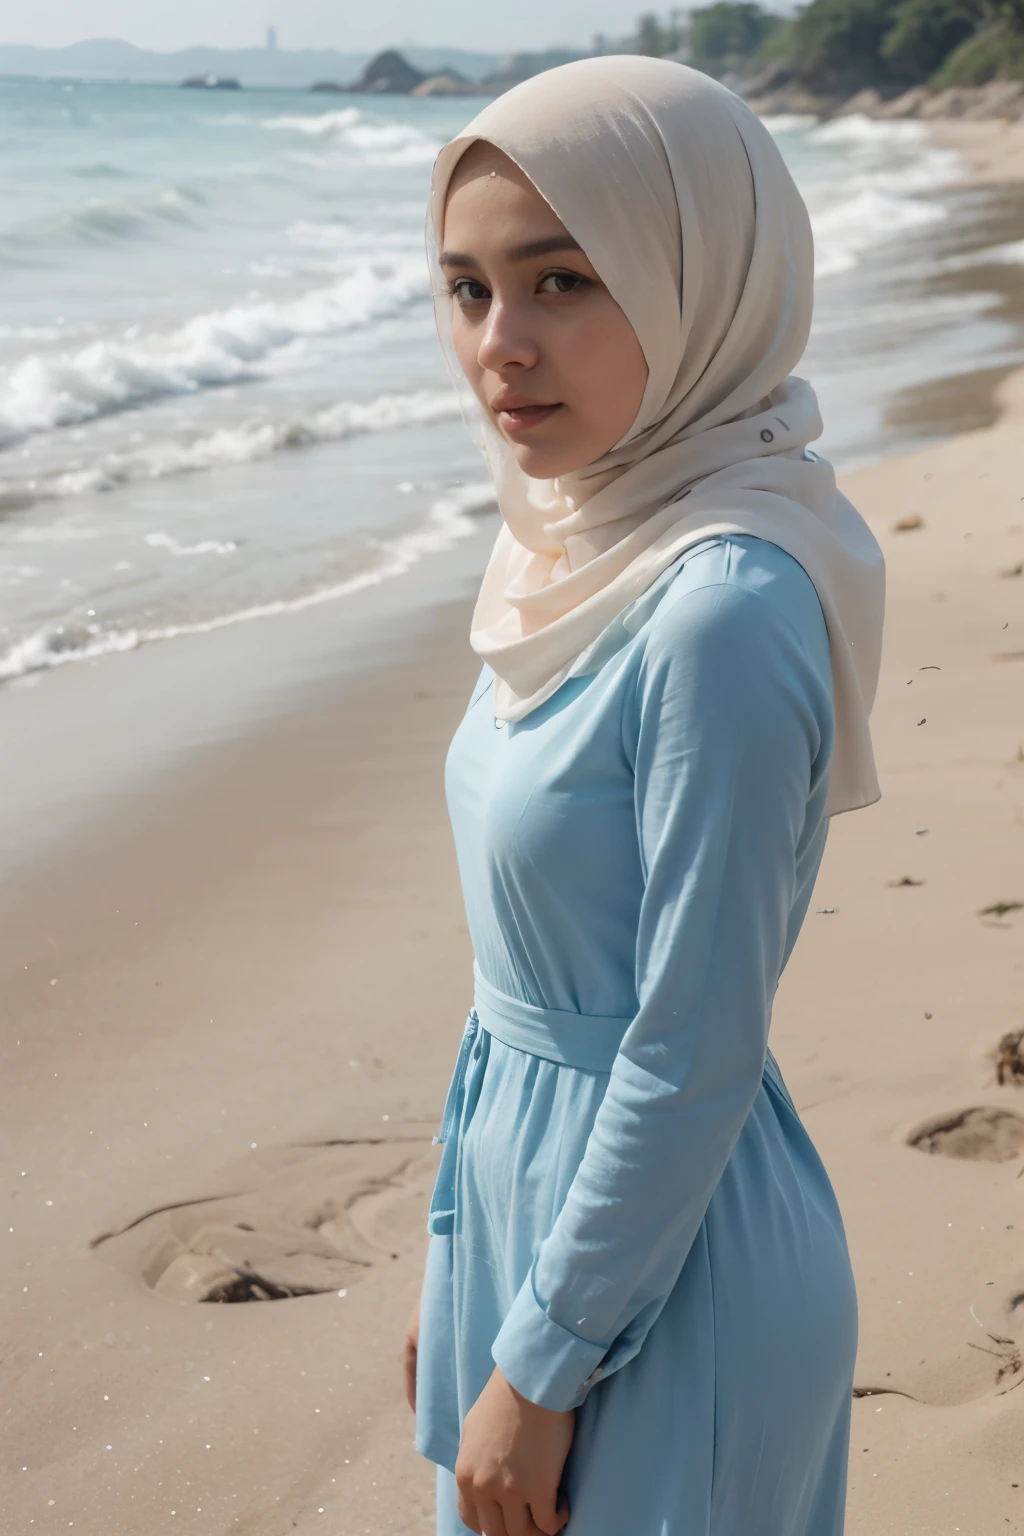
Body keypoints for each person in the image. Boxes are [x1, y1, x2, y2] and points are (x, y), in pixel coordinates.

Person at [402, 55, 885, 1536]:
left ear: (696, 275)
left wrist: (541, 1364)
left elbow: (689, 1044)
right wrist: (459, 1255)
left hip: (665, 1275)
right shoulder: (564, 553)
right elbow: (511, 996)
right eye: (471, 290)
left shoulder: (719, 610)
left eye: (562, 279)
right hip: (534, 1233)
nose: (504, 344)